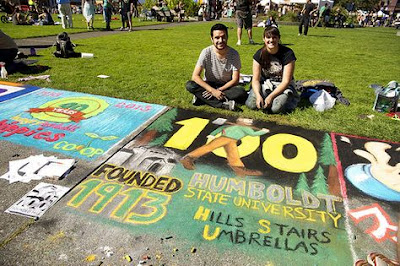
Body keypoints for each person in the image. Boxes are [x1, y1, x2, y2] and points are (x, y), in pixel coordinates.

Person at [185, 23, 247, 111]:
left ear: (227, 37)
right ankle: (223, 105)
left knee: (241, 92)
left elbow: (235, 80)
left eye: (223, 37)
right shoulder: (206, 52)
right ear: (212, 39)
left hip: (225, 87)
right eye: (217, 38)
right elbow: (195, 76)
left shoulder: (234, 54)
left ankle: (201, 98)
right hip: (209, 84)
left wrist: (219, 90)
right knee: (190, 85)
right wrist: (212, 91)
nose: (221, 40)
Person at [180, 118, 269, 177]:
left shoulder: (240, 126)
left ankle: (239, 168)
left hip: (232, 141)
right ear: (239, 120)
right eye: (246, 120)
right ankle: (188, 158)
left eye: (250, 121)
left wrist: (212, 135)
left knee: (233, 154)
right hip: (224, 138)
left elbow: (220, 128)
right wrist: (263, 131)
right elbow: (253, 134)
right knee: (209, 147)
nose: (249, 122)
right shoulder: (242, 127)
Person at [246, 26, 299, 114]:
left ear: (279, 38)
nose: (271, 40)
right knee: (251, 104)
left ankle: (289, 98)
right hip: (266, 85)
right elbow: (255, 80)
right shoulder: (259, 54)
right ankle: (264, 97)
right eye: (268, 37)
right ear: (263, 39)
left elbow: (286, 81)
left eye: (274, 37)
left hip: (283, 86)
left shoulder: (288, 54)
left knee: (276, 109)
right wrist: (258, 96)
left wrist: (270, 97)